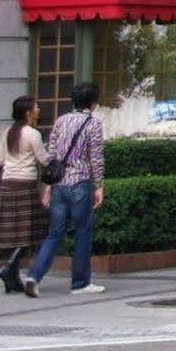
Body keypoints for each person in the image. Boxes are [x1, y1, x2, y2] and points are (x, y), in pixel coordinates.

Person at [24, 82, 105, 297]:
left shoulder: (61, 121)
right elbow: (96, 158)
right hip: (80, 182)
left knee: (54, 233)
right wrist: (98, 186)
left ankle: (34, 275)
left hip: (59, 183)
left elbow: (52, 154)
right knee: (82, 232)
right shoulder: (93, 124)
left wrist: (49, 187)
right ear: (93, 103)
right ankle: (80, 282)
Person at [0, 97, 51, 295]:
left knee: (11, 234)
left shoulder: (8, 132)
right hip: (25, 186)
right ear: (28, 112)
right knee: (27, 233)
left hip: (7, 185)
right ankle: (9, 272)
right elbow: (44, 160)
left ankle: (12, 276)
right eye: (36, 107)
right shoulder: (33, 134)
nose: (39, 110)